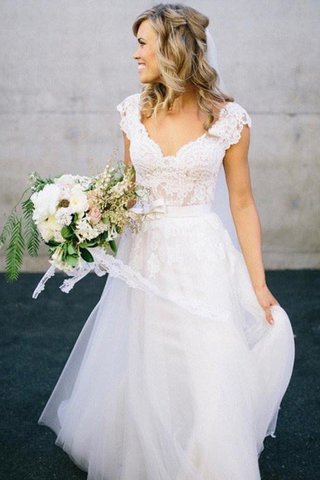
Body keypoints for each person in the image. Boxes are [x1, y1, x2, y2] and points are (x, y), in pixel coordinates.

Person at [37, 3, 295, 479]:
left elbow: (241, 202)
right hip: (145, 256)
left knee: (206, 359)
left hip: (201, 254)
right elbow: (127, 192)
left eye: (142, 43)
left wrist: (258, 286)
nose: (135, 54)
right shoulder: (134, 112)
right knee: (146, 356)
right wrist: (79, 212)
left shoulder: (228, 119)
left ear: (172, 49)